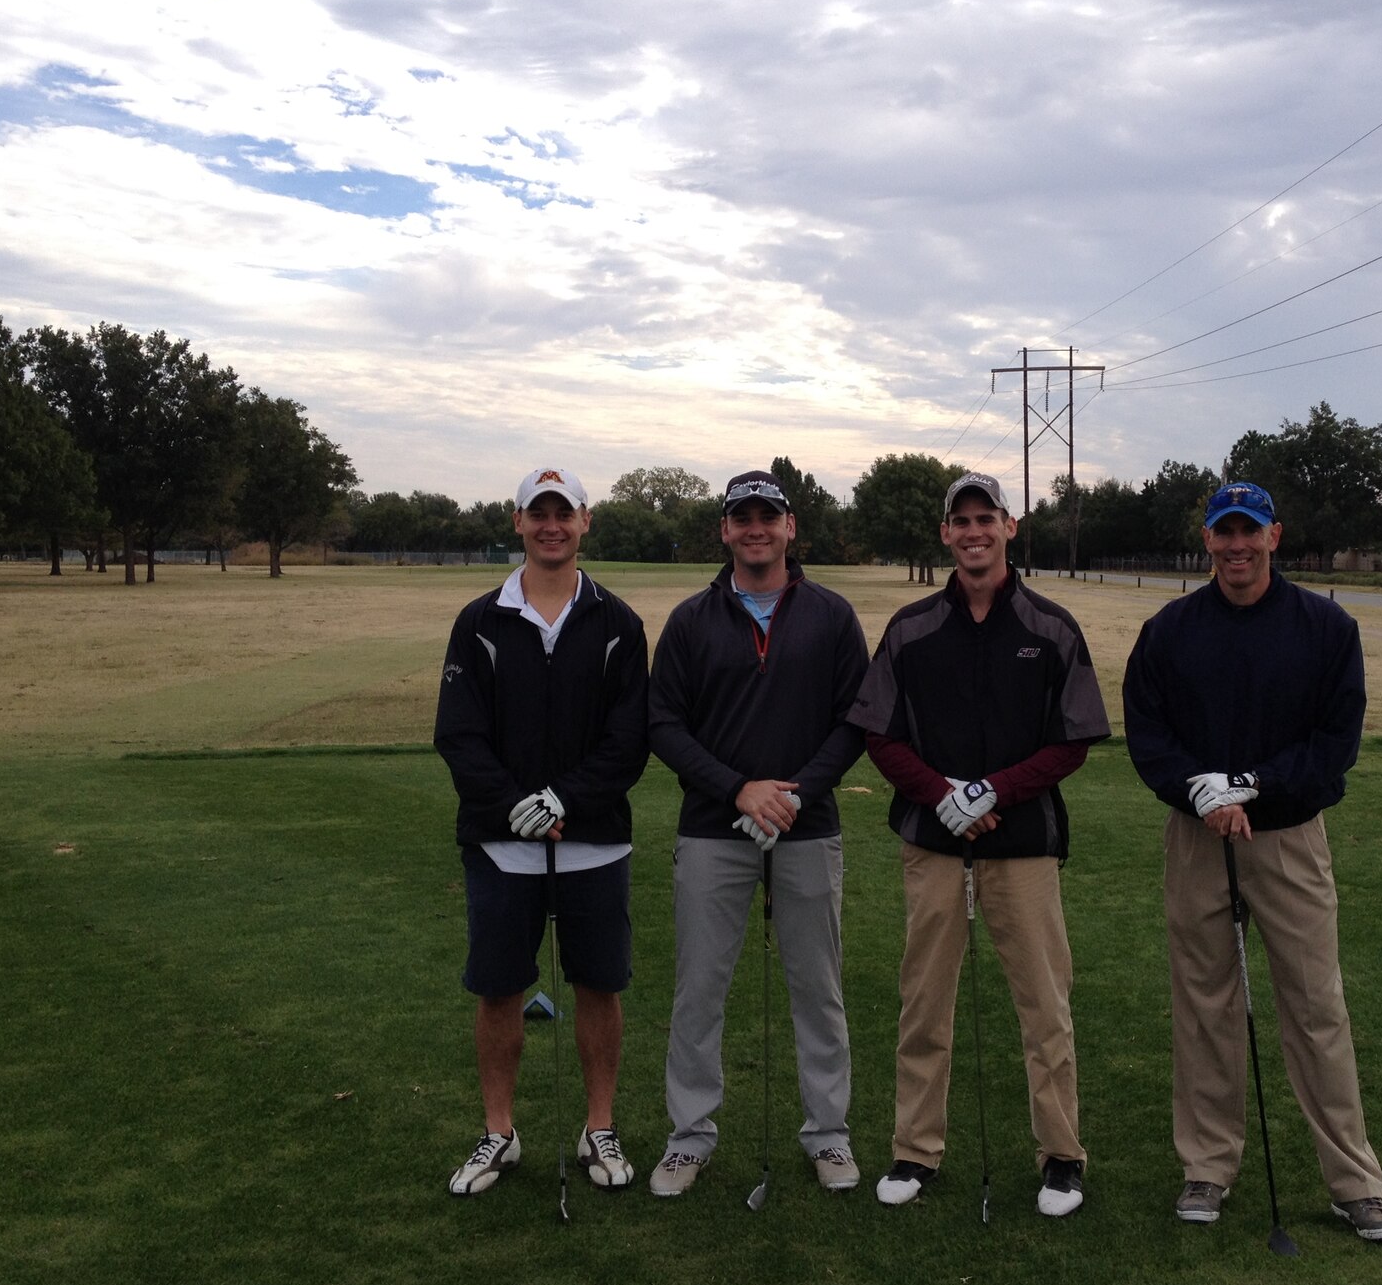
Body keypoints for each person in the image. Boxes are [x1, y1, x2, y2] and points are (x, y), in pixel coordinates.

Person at [1121, 480, 1382, 1241]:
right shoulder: (1170, 630)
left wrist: (1251, 784)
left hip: (1288, 835)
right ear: (1207, 540)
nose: (1237, 545)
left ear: (1276, 536)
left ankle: (1354, 1182)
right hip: (1196, 835)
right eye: (1224, 532)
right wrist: (1198, 790)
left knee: (1315, 1007)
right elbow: (1147, 731)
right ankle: (1207, 1167)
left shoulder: (1325, 627)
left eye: (1250, 531)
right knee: (1206, 1005)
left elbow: (1333, 745)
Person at [848, 472, 1110, 1217]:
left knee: (1045, 1007)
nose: (973, 531)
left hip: (1024, 846)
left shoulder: (1051, 628)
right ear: (945, 534)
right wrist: (942, 794)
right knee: (924, 1005)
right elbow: (879, 732)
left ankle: (1061, 1158)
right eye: (960, 520)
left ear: (1009, 525)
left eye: (985, 518)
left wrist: (995, 791)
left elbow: (1074, 740)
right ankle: (915, 1151)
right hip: (933, 844)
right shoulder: (910, 629)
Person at [645, 469, 871, 1196]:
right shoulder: (690, 620)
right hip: (714, 828)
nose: (755, 529)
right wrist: (737, 788)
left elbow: (854, 721)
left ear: (790, 527)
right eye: (741, 517)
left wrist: (794, 795)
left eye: (767, 516)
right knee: (699, 991)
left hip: (808, 828)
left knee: (818, 990)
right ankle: (688, 1138)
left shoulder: (832, 616)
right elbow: (663, 725)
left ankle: (829, 1136)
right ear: (725, 530)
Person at [434, 467, 650, 1197]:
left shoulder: (619, 623)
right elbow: (459, 735)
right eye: (539, 513)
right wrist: (514, 807)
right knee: (498, 990)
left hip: (594, 841)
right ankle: (500, 1133)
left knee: (598, 985)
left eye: (564, 513)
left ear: (586, 521)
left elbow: (628, 742)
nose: (551, 525)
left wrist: (563, 800)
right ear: (518, 521)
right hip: (502, 845)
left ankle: (599, 1126)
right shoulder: (479, 621)